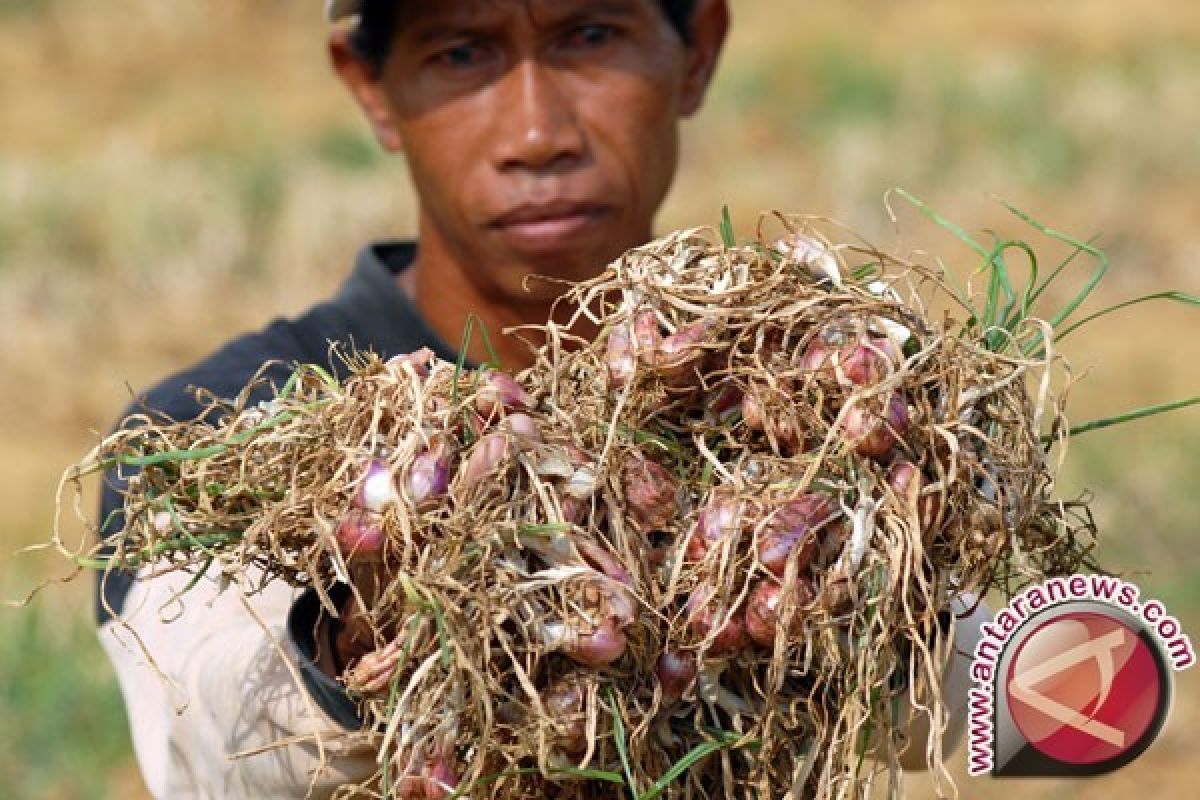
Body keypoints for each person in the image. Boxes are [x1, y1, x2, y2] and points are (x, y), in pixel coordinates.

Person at [97, 2, 985, 797]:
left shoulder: (833, 402)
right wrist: (356, 639)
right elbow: (206, 736)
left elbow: (1071, 680)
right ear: (372, 87)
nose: (536, 132)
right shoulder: (214, 428)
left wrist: (837, 589)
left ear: (698, 50)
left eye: (590, 36)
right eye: (461, 52)